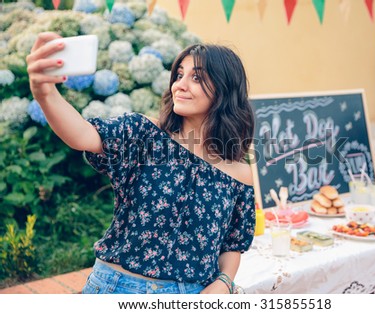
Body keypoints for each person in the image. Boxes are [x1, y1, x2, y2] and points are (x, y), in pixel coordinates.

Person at [26, 32, 256, 294]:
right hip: (118, 288)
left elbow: (232, 244)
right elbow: (82, 134)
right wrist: (45, 93)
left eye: (197, 77)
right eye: (179, 75)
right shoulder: (144, 134)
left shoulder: (239, 173)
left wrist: (223, 283)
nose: (180, 84)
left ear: (225, 89)